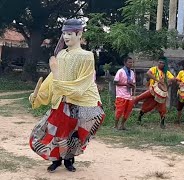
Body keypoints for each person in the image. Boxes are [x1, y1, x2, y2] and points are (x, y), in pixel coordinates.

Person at [29, 19, 105, 172]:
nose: (66, 37)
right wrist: (39, 94)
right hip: (61, 102)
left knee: (71, 134)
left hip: (78, 101)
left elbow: (82, 84)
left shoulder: (87, 56)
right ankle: (55, 160)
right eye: (64, 33)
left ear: (79, 34)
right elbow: (52, 79)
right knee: (53, 131)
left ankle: (69, 160)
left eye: (69, 33)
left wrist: (57, 75)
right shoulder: (62, 54)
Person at [134, 57, 175, 128]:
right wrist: (158, 80)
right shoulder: (154, 69)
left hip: (161, 93)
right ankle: (138, 116)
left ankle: (162, 123)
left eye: (163, 63)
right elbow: (148, 73)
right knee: (144, 102)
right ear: (157, 63)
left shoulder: (166, 72)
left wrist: (167, 82)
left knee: (162, 108)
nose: (161, 64)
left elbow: (173, 78)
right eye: (160, 62)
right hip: (152, 89)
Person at [113, 57, 136, 130]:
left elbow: (134, 83)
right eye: (129, 62)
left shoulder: (132, 72)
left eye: (131, 62)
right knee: (119, 111)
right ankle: (115, 125)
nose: (131, 64)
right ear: (125, 63)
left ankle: (122, 125)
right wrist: (125, 84)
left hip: (129, 95)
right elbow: (115, 82)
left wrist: (133, 94)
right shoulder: (120, 71)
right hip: (121, 95)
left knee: (128, 111)